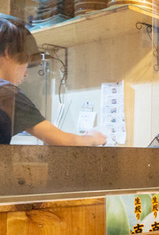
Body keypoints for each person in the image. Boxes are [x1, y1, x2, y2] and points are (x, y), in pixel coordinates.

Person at [0, 17, 106, 146]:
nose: (26, 73)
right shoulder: (6, 92)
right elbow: (65, 141)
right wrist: (94, 137)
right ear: (8, 52)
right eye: (26, 62)